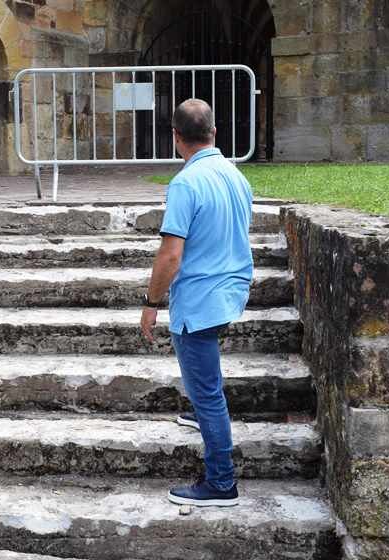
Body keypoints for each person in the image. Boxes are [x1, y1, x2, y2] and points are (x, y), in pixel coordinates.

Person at [140, 99, 254, 507]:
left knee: (208, 394)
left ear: (176, 138)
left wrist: (152, 301)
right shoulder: (235, 174)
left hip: (201, 299)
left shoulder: (185, 184)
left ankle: (221, 483)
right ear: (214, 132)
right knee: (206, 386)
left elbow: (171, 254)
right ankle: (202, 412)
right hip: (231, 291)